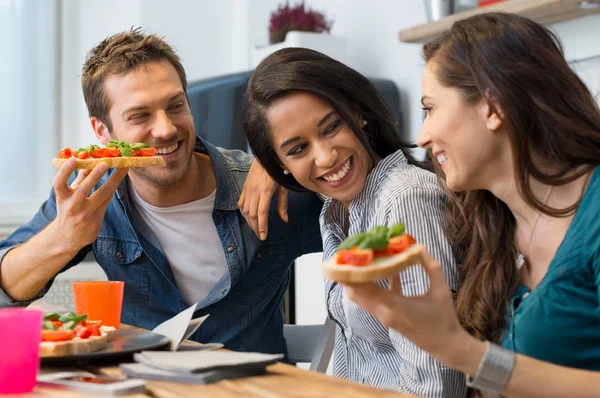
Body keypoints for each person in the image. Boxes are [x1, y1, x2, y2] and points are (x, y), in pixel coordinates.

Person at [0, 28, 323, 355]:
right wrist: (63, 237)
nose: (166, 128)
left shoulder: (268, 187)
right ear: (102, 130)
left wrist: (280, 159)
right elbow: (4, 290)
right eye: (140, 115)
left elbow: (368, 219)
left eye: (176, 106)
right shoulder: (90, 196)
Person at [343, 12, 600, 398]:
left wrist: (461, 351)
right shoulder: (492, 223)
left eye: (430, 108)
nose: (422, 136)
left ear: (493, 107)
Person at [241, 47, 467, 396]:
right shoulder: (335, 209)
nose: (326, 156)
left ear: (357, 111)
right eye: (298, 149)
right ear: (280, 163)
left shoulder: (404, 199)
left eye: (332, 127)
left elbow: (437, 381)